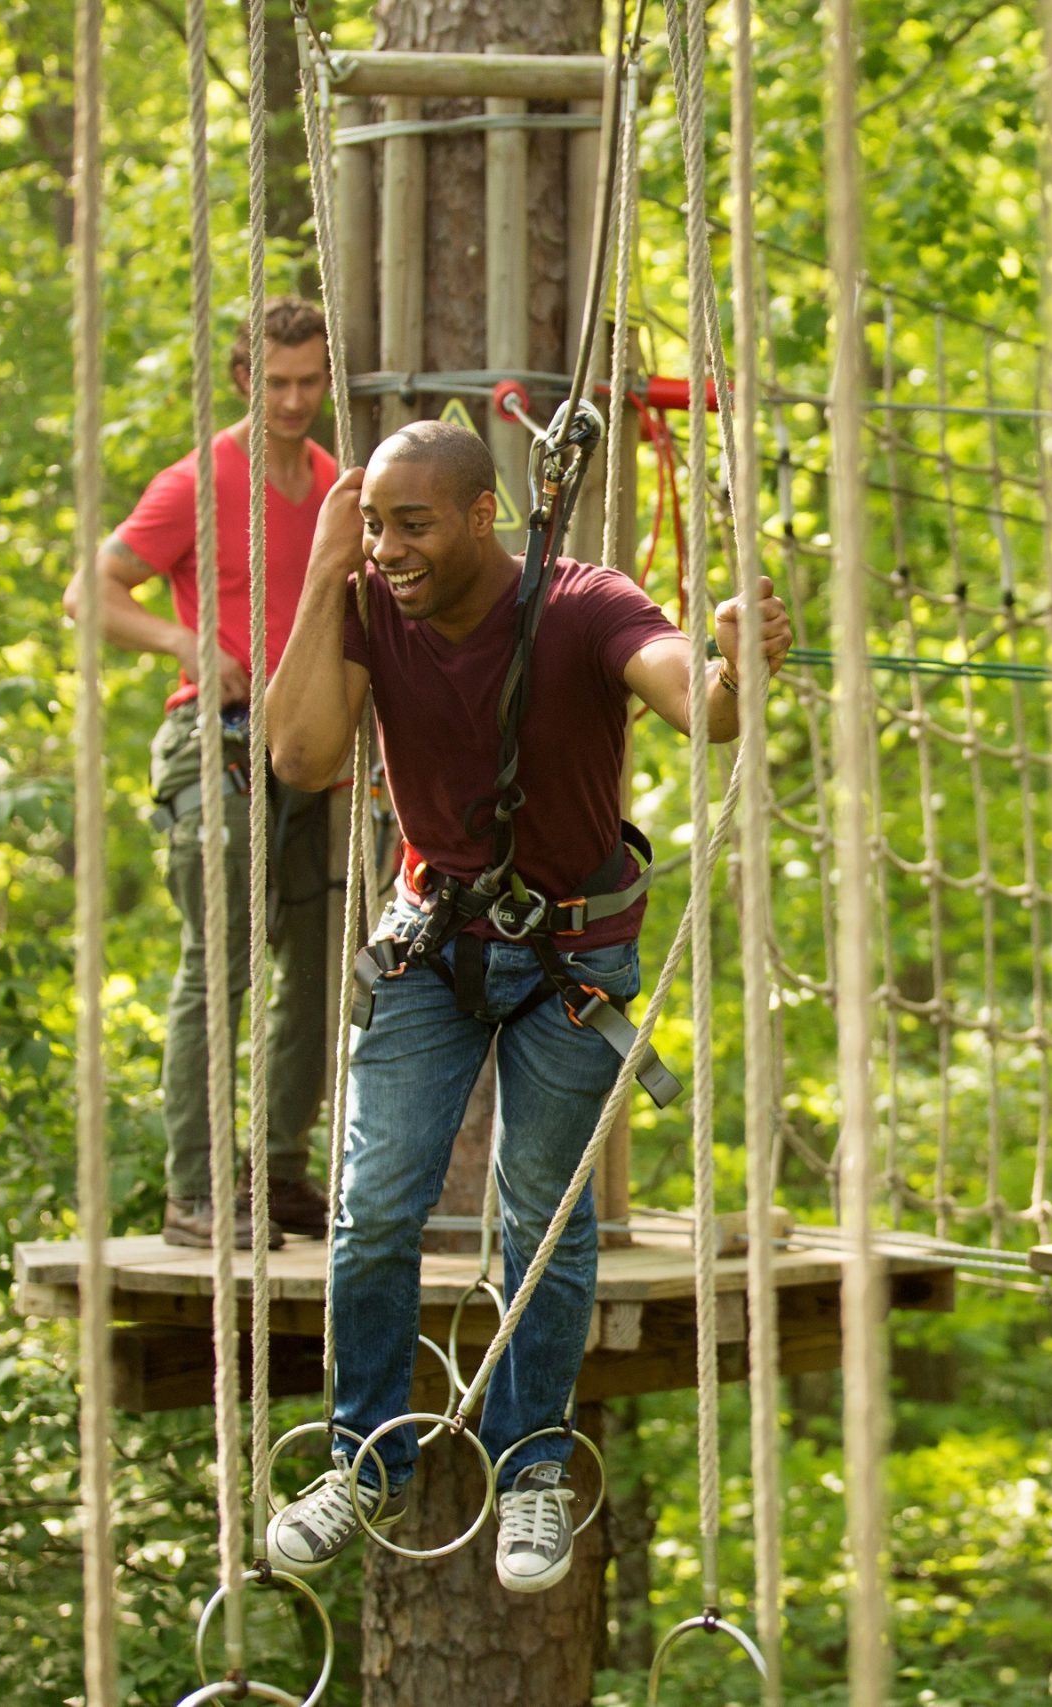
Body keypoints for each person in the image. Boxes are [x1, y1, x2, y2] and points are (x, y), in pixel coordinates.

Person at [259, 419, 792, 1595]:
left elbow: (696, 711)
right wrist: (319, 577)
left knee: (544, 1221)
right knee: (374, 1205)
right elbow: (300, 758)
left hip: (568, 962)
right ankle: (360, 1457)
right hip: (434, 944)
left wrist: (734, 669)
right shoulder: (365, 607)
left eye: (414, 523)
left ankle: (534, 1467)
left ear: (482, 516)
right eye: (375, 524)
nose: (389, 547)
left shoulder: (585, 603)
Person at [64, 296, 339, 1247]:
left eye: (309, 382)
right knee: (219, 963)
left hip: (311, 753)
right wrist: (185, 638)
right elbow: (89, 593)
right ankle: (194, 1189)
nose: (294, 400)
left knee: (317, 974)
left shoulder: (336, 486)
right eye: (278, 383)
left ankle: (278, 1172)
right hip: (214, 743)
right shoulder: (197, 482)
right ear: (242, 380)